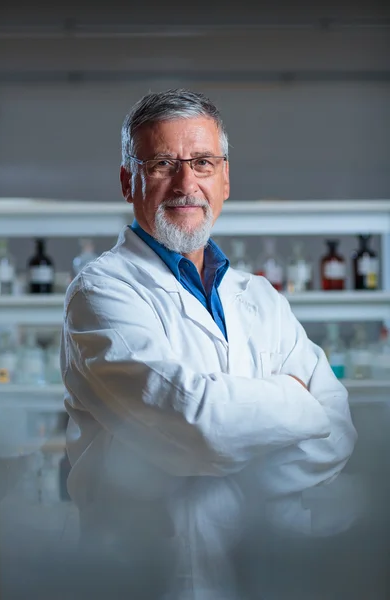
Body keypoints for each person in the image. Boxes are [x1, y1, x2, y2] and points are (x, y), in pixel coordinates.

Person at [61, 88, 357, 599]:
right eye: (161, 164)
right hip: (155, 579)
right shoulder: (100, 291)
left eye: (202, 162)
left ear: (225, 179)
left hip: (270, 575)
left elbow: (339, 429)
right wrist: (296, 403)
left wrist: (224, 451)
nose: (185, 183)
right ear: (129, 181)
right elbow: (198, 424)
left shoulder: (260, 297)